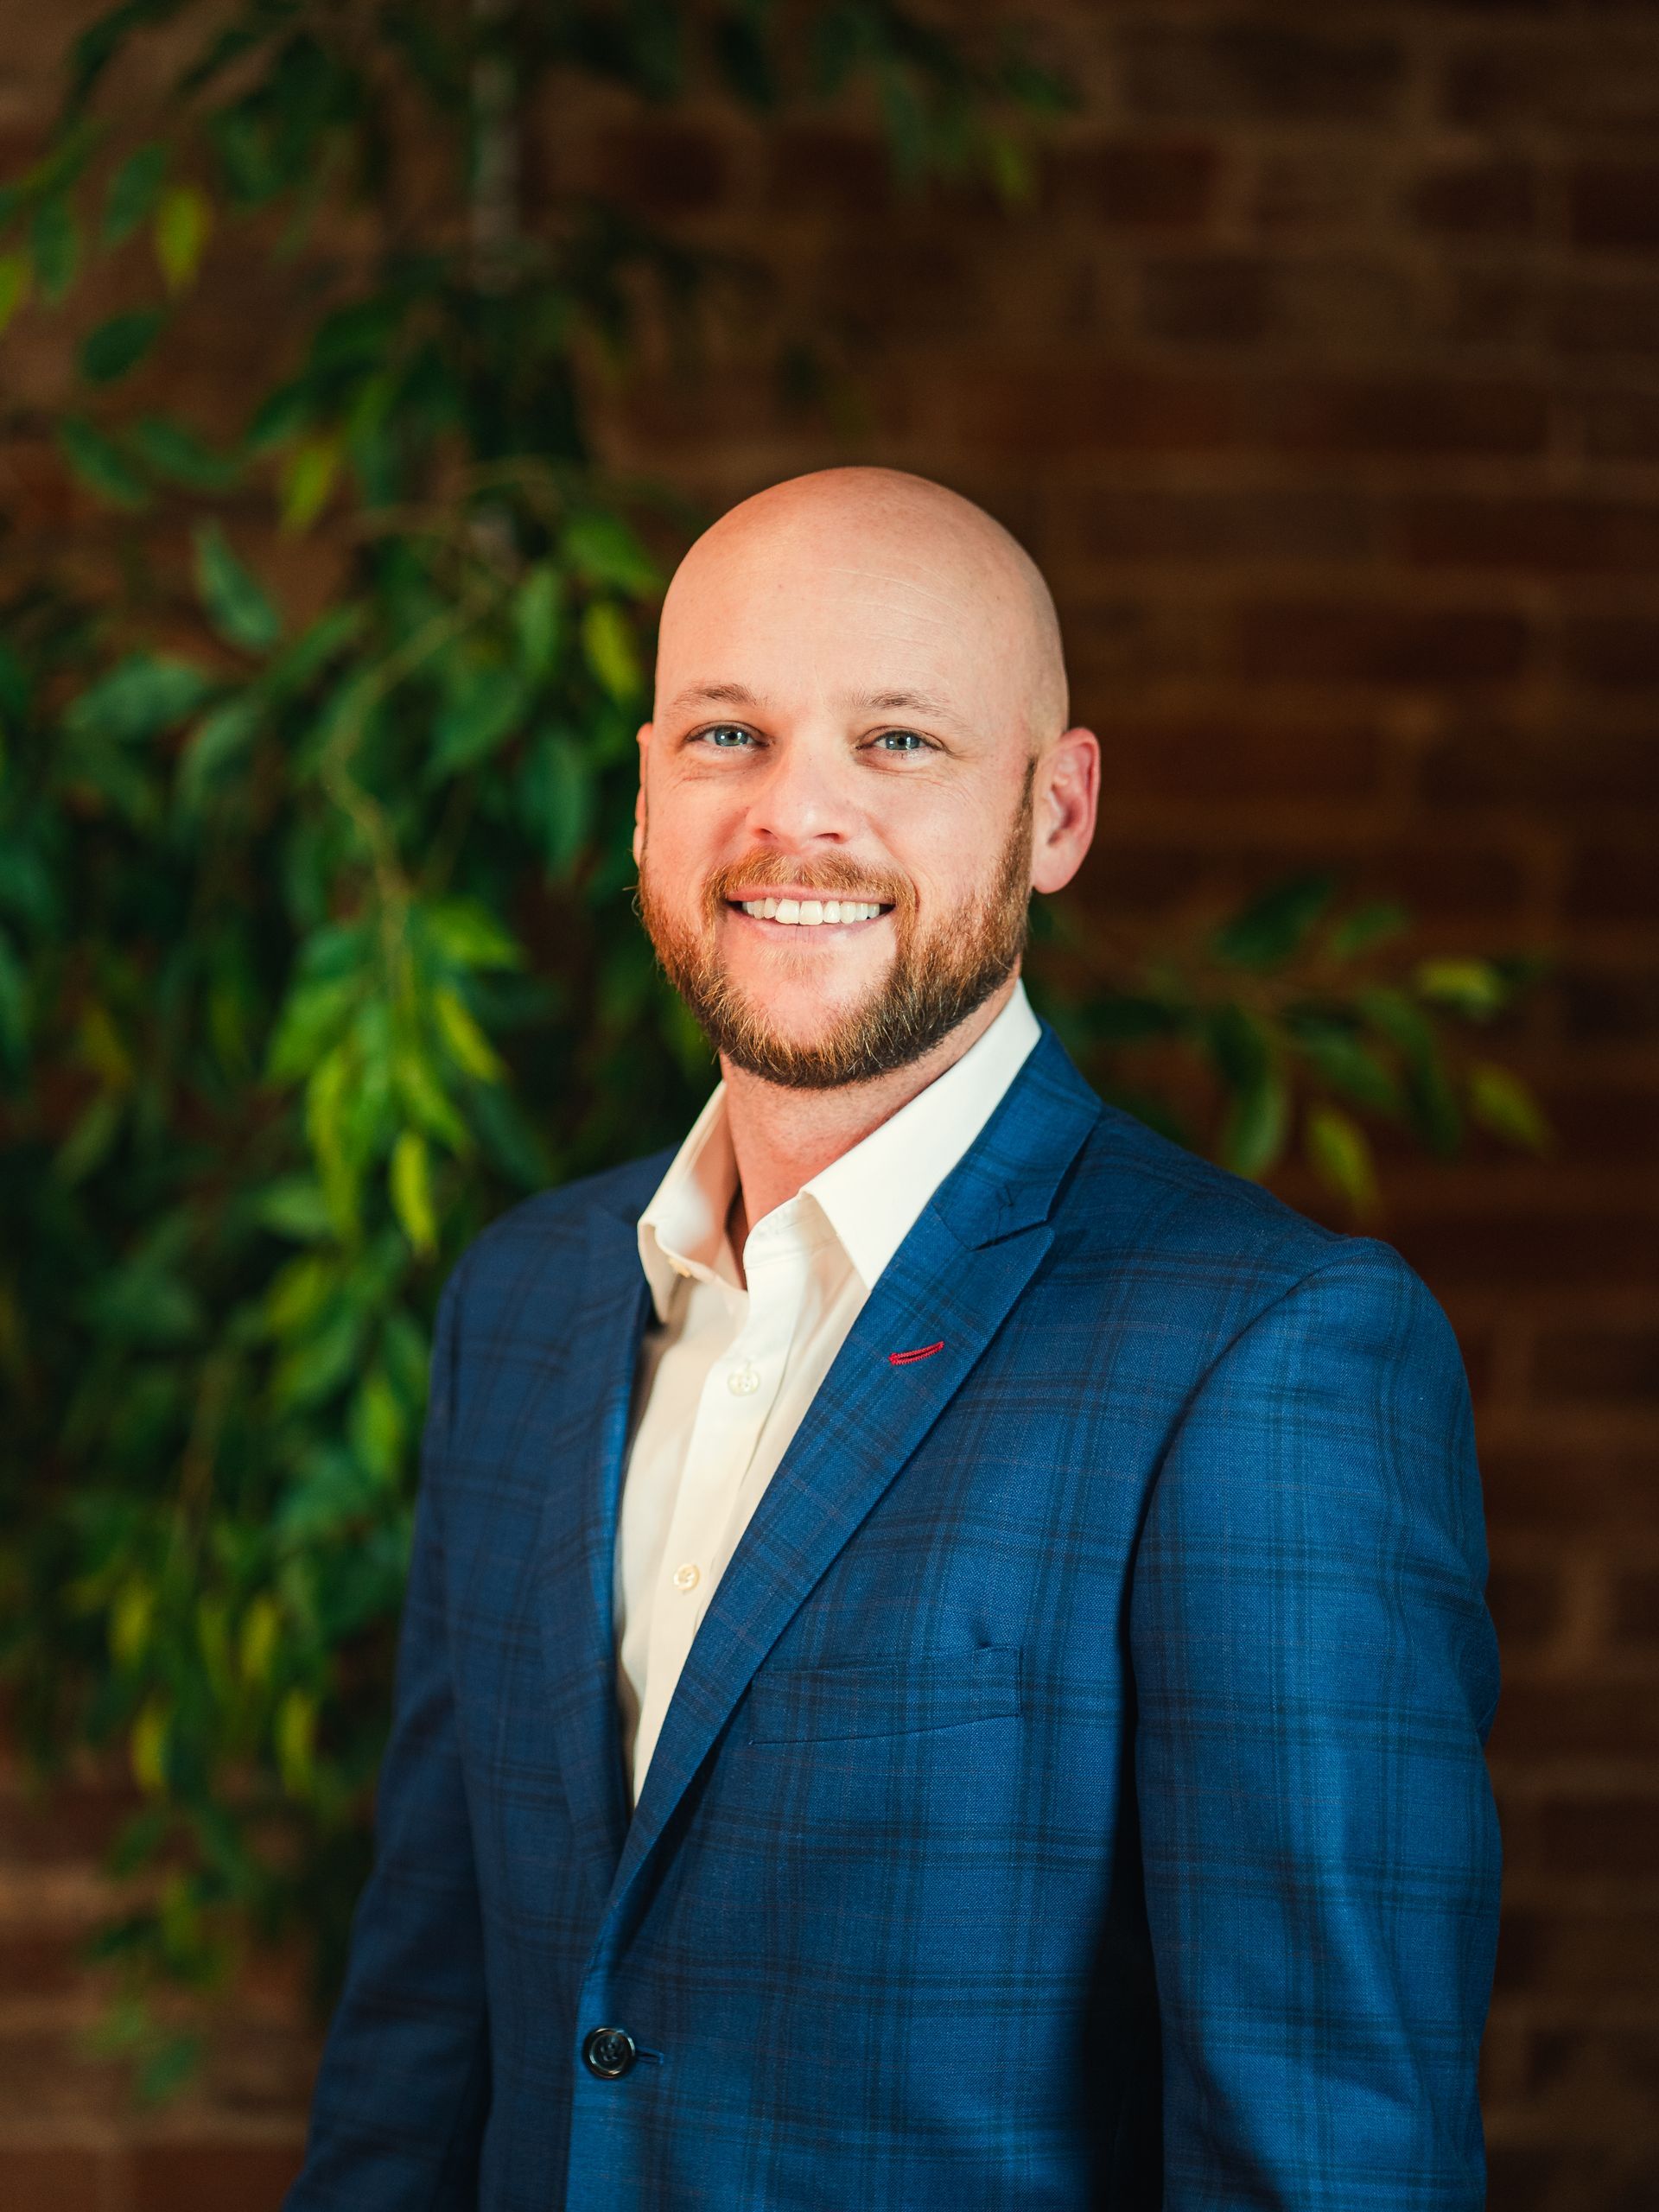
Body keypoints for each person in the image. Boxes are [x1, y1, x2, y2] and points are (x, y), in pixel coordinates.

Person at [285, 467, 1501, 2211]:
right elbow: (422, 2039)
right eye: (727, 735)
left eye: (901, 742)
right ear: (641, 798)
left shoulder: (1268, 1355)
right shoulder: (528, 1302)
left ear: (1057, 810)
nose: (799, 817)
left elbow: (1325, 2163)